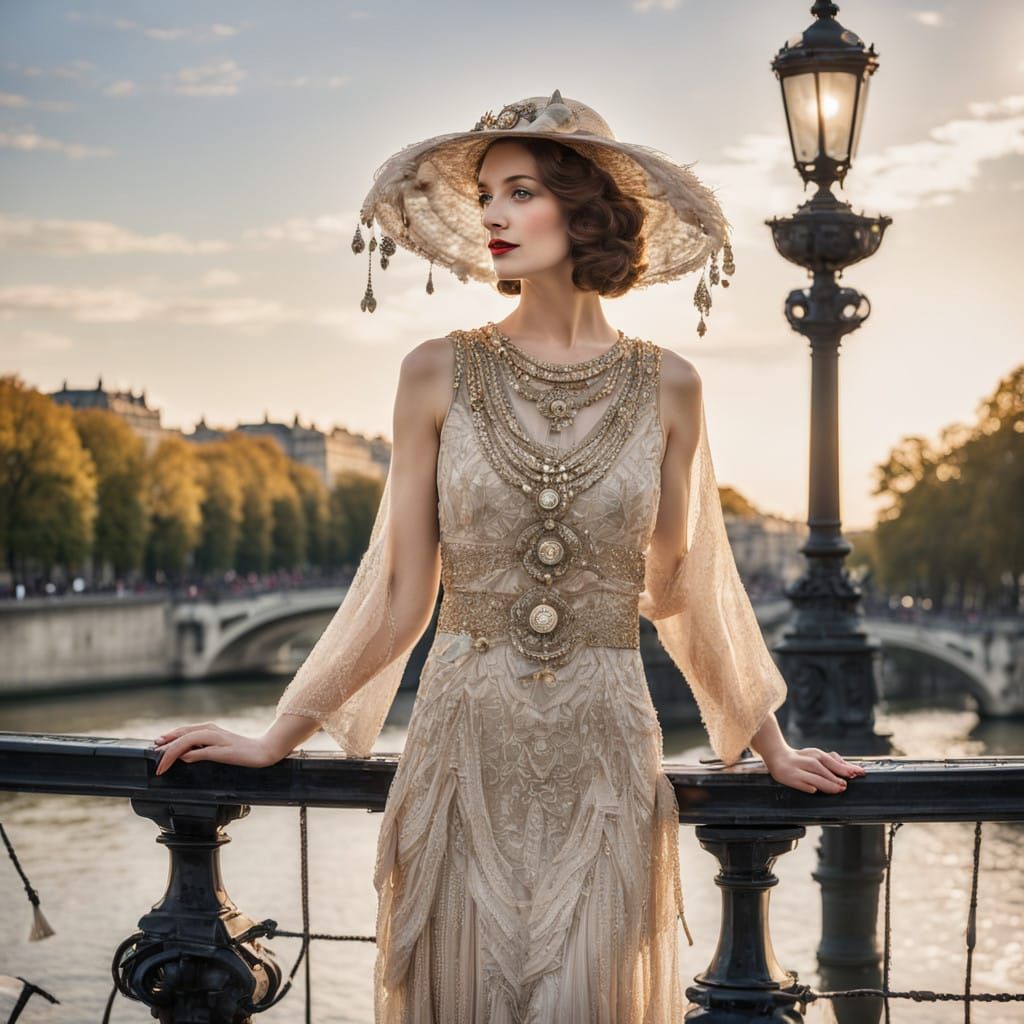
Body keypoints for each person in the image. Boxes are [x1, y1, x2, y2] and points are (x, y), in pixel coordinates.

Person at [152, 92, 864, 1022]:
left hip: (607, 753)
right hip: (465, 746)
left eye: (517, 191)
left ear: (585, 208)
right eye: (486, 194)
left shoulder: (674, 389)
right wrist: (275, 735)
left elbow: (685, 590)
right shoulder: (433, 371)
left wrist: (765, 740)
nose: (492, 214)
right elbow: (402, 596)